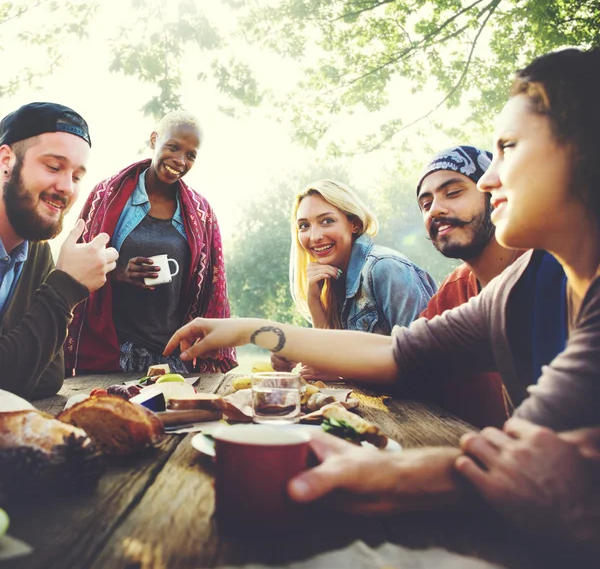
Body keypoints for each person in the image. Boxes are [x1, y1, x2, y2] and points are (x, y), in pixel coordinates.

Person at [164, 48, 600, 548]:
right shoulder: (519, 289)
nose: (488, 179)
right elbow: (397, 352)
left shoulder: (390, 269)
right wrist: (247, 328)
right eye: (425, 201)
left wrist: (390, 472)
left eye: (509, 148)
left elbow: (530, 467)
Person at [65, 111, 236, 375]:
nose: (180, 160)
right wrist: (118, 273)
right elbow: (75, 268)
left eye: (191, 155)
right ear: (154, 140)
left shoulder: (201, 213)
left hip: (173, 358)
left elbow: (211, 290)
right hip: (111, 353)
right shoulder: (107, 196)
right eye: (174, 147)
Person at [416, 145, 566, 428]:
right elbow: (400, 353)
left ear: (493, 196)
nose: (435, 209)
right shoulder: (453, 290)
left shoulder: (552, 273)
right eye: (425, 204)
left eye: (453, 192)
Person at [0, 102, 118, 399]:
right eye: (54, 166)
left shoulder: (36, 251)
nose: (67, 187)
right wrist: (65, 287)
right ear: (6, 162)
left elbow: (47, 377)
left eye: (77, 176)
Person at [273, 180, 436, 373]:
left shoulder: (385, 268)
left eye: (327, 221)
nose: (314, 236)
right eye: (304, 225)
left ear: (355, 225)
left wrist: (339, 371)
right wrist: (314, 302)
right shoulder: (332, 277)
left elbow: (426, 362)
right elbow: (329, 355)